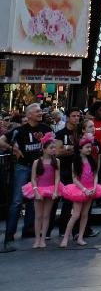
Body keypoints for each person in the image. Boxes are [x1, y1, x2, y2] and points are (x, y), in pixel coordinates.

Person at [5, 103, 53, 246]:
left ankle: (29, 229)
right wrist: (13, 149)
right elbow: (1, 140)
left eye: (41, 111)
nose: (41, 113)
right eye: (37, 111)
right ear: (29, 115)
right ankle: (9, 235)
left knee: (34, 200)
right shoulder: (19, 130)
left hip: (40, 169)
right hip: (23, 167)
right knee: (17, 201)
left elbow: (53, 145)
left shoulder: (46, 129)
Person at [60, 136, 101, 247]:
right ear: (80, 149)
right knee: (76, 214)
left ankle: (80, 237)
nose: (89, 149)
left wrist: (95, 187)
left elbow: (95, 175)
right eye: (87, 147)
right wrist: (84, 189)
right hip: (80, 189)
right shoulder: (76, 162)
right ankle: (66, 237)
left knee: (85, 214)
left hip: (91, 189)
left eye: (90, 147)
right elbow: (75, 179)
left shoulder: (92, 160)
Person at [23, 133, 60, 248]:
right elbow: (33, 178)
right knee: (38, 215)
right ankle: (37, 239)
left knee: (46, 215)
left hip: (50, 189)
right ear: (44, 149)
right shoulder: (36, 162)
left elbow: (57, 177)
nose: (54, 149)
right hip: (38, 189)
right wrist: (36, 191)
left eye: (54, 147)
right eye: (51, 148)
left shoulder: (56, 161)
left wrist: (55, 191)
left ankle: (43, 238)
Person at [53, 108, 81, 236]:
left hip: (76, 169)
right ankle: (52, 230)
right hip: (62, 169)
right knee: (57, 200)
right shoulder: (60, 133)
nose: (76, 118)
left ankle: (67, 229)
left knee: (71, 201)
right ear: (68, 117)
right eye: (73, 116)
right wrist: (71, 149)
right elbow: (57, 152)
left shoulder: (80, 132)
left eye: (78, 116)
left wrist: (68, 148)